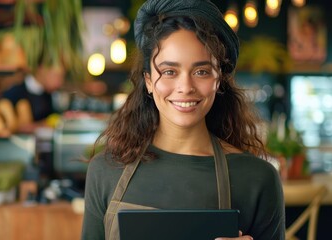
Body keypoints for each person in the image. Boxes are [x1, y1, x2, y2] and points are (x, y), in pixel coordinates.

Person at [81, 0, 285, 239]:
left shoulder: (257, 179)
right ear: (148, 80)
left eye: (202, 71)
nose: (185, 87)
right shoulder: (105, 171)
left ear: (218, 80)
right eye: (169, 72)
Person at [1, 62, 65, 122]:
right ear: (41, 69)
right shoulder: (14, 93)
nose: (60, 83)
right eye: (57, 76)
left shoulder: (48, 94)